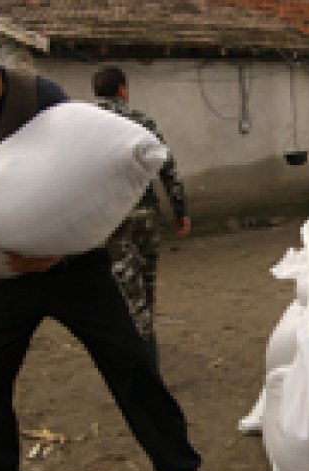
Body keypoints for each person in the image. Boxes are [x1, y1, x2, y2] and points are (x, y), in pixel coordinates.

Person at [0, 4, 238, 471]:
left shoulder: (40, 99)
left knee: (129, 362)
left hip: (72, 266)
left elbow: (91, 178)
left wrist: (57, 248)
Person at [92, 66, 190, 372]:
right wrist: (180, 211)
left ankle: (142, 361)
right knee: (146, 285)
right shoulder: (142, 122)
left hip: (112, 220)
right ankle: (147, 354)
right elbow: (167, 168)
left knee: (126, 292)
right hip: (146, 218)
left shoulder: (88, 127)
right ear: (123, 89)